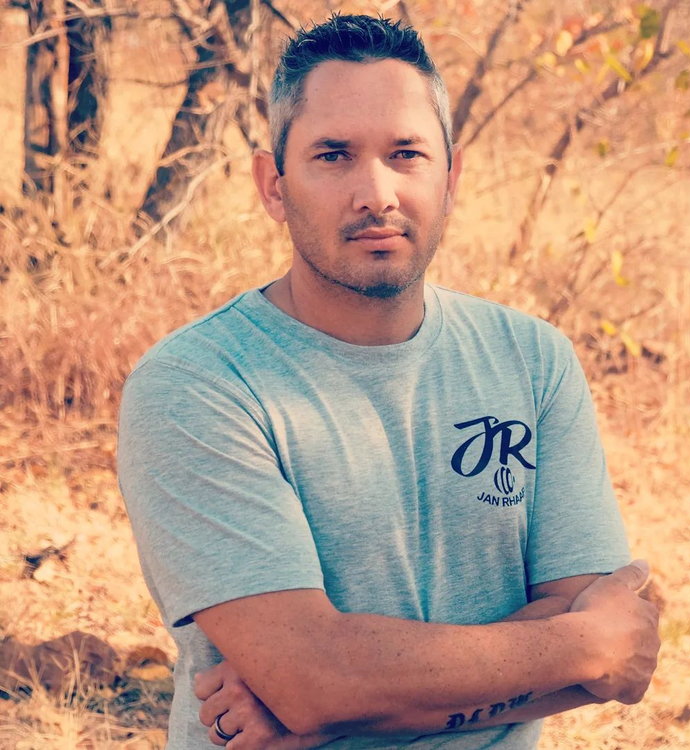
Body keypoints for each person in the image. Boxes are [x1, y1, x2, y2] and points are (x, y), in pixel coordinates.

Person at [117, 13, 660, 750]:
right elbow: (595, 647)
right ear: (273, 185)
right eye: (333, 155)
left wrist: (337, 702)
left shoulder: (533, 360)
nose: (376, 193)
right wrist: (577, 646)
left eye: (406, 154)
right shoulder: (198, 384)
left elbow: (615, 654)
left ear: (451, 177)